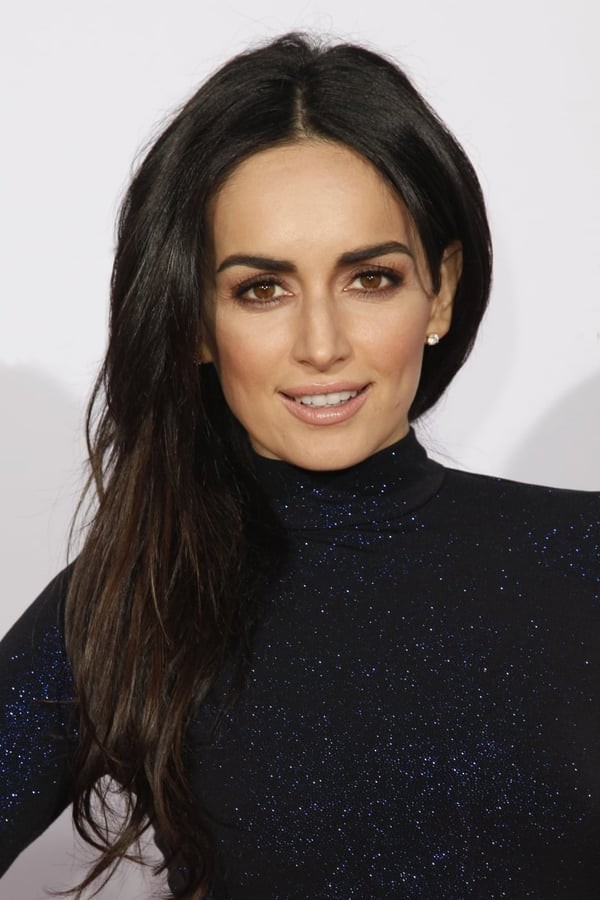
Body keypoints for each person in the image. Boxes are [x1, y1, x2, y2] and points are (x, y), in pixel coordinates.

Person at [0, 31, 598, 900]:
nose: (322, 344)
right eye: (262, 289)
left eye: (371, 278)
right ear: (197, 325)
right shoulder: (138, 600)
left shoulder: (583, 555)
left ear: (440, 291)